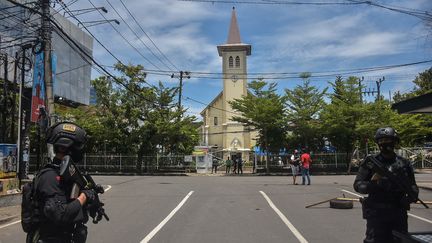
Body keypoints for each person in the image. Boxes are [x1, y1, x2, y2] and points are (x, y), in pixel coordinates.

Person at [27, 122, 97, 243]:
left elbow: (72, 203)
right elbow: (60, 214)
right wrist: (84, 196)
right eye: (79, 146)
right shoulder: (50, 176)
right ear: (67, 147)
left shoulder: (68, 175)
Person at [354, 127, 419, 243]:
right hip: (376, 214)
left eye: (388, 140)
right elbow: (358, 184)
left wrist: (412, 195)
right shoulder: (371, 162)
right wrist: (374, 185)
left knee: (400, 240)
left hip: (398, 212)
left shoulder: (403, 163)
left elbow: (412, 184)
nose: (384, 144)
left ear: (395, 142)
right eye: (381, 141)